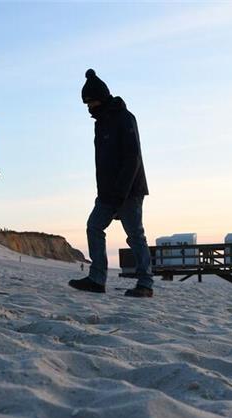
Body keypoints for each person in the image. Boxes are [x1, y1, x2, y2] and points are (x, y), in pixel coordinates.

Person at [69, 69, 153, 297]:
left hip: (129, 191)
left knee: (135, 234)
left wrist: (120, 193)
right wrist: (105, 192)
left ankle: (145, 283)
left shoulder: (125, 118)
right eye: (86, 103)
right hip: (107, 192)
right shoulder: (100, 123)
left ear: (101, 98)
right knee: (94, 226)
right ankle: (97, 279)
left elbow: (132, 157)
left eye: (90, 102)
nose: (88, 108)